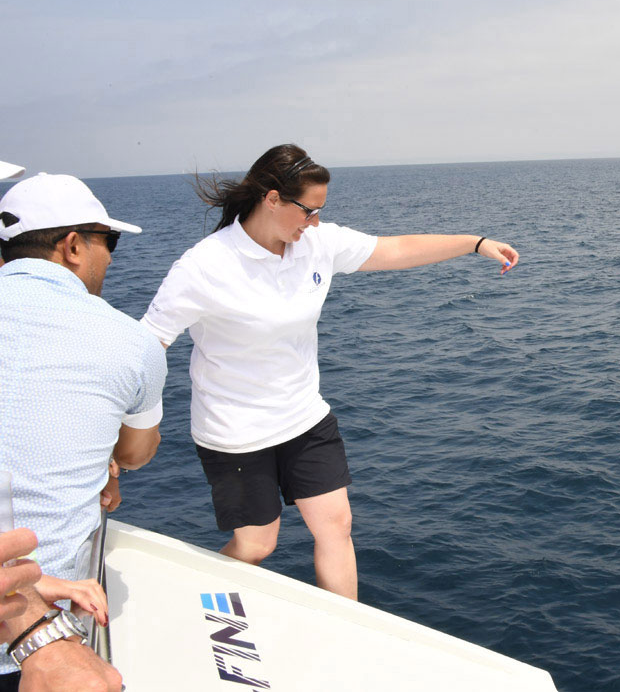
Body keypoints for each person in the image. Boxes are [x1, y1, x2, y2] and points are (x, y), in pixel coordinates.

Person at [141, 145, 518, 601]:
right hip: (236, 431)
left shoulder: (314, 243)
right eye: (309, 211)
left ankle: (346, 630)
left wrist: (474, 243)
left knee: (336, 525)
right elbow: (144, 349)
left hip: (303, 417)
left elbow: (393, 250)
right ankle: (189, 603)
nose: (314, 223)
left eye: (320, 212)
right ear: (273, 198)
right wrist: (122, 436)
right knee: (257, 545)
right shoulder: (205, 266)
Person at [0, 174, 167, 692]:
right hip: (43, 642)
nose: (112, 259)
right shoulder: (132, 341)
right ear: (73, 246)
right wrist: (107, 460)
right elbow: (137, 452)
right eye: (108, 241)